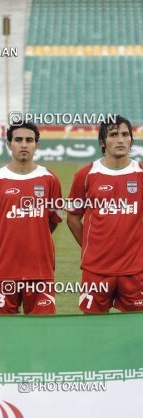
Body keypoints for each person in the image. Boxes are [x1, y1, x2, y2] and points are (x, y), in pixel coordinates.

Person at [0, 122, 62, 314]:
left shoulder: (50, 179)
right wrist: (9, 235)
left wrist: (35, 233)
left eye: (29, 140)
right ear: (9, 144)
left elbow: (52, 221)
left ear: (36, 145)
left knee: (40, 332)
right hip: (3, 269)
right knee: (2, 330)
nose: (24, 144)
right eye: (18, 140)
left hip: (40, 269)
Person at [67, 115, 143, 313]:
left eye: (125, 134)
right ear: (102, 141)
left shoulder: (141, 173)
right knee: (92, 330)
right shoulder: (85, 175)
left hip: (135, 271)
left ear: (131, 140)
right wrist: (90, 248)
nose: (120, 139)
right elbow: (73, 217)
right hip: (96, 271)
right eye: (113, 134)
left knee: (136, 331)